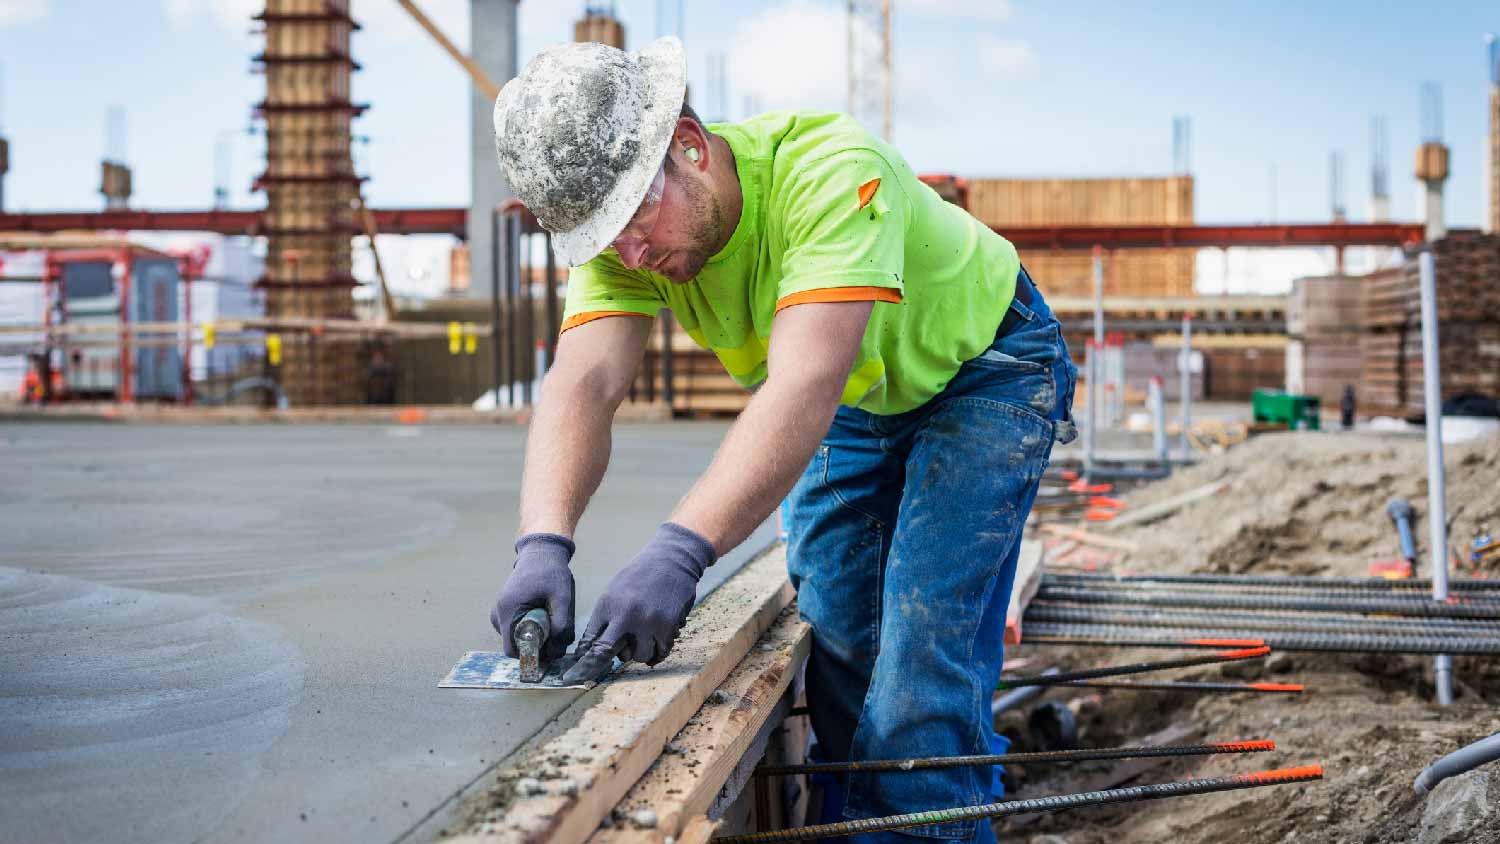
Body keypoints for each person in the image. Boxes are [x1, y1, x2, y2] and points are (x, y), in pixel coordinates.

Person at [488, 36, 1075, 843]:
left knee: (919, 679)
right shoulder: (624, 235)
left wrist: (680, 551)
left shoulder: (830, 172)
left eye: (631, 223)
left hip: (986, 370)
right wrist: (541, 544)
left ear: (689, 148)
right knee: (837, 645)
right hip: (863, 397)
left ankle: (933, 817)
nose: (630, 255)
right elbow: (584, 382)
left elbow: (804, 384)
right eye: (603, 242)